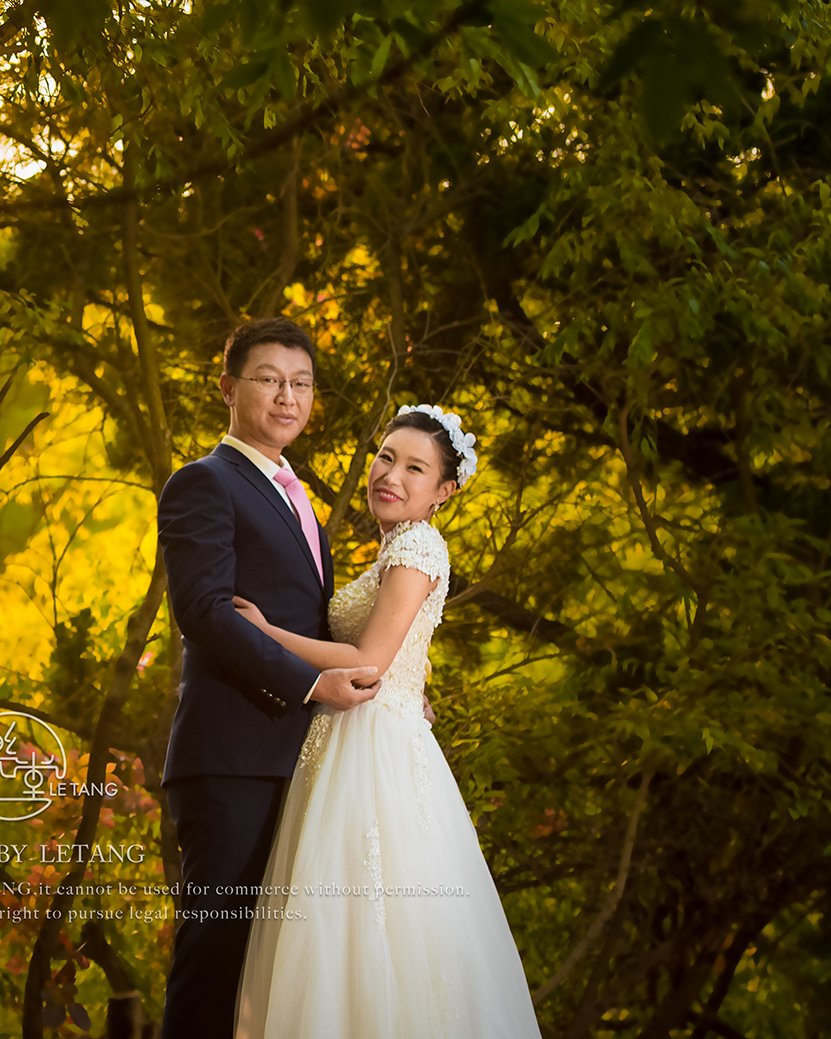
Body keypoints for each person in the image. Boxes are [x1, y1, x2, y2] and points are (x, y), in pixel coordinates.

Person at [229, 404, 542, 1037]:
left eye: (414, 468)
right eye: (386, 457)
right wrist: (411, 683)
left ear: (443, 491)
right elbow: (398, 652)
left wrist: (264, 633)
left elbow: (370, 660)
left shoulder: (419, 546)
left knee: (368, 915)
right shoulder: (394, 548)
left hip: (373, 749)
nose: (390, 475)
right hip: (352, 735)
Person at [155, 317, 384, 1039]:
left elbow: (310, 623)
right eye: (269, 380)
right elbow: (204, 612)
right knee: (216, 956)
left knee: (275, 972)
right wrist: (311, 686)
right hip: (233, 760)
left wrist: (398, 684)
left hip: (301, 757)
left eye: (302, 383)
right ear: (228, 388)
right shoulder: (204, 482)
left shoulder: (293, 492)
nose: (288, 396)